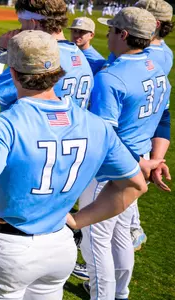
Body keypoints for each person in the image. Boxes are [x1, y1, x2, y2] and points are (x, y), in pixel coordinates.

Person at [0, 29, 149, 300]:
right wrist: (79, 220)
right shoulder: (95, 125)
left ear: (13, 74)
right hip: (60, 246)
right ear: (59, 71)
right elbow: (135, 185)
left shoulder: (5, 123)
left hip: (8, 248)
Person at [80, 8, 168, 299]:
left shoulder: (112, 77)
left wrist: (141, 161)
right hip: (138, 163)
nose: (107, 34)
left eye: (112, 29)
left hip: (110, 170)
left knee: (95, 241)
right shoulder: (158, 70)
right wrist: (149, 161)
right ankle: (120, 293)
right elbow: (162, 120)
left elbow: (106, 135)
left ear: (124, 34)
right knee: (120, 237)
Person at [0, 0, 94, 111]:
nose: (19, 29)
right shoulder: (80, 56)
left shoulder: (35, 58)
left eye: (21, 23)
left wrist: (1, 53)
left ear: (33, 24)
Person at [130, 0, 173, 251]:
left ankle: (133, 230)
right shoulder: (161, 50)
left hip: (132, 131)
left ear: (154, 24)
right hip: (143, 129)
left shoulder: (147, 55)